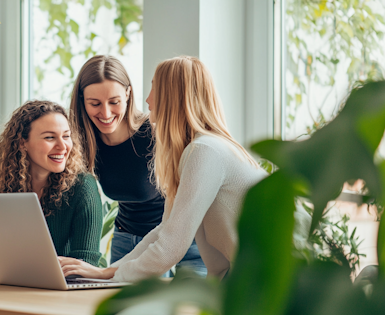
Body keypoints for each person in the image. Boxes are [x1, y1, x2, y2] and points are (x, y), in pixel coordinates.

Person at [59, 56, 267, 281]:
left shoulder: (204, 151)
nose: (147, 100)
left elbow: (170, 247)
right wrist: (106, 272)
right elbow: (165, 230)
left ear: (173, 96)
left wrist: (105, 273)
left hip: (262, 280)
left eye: (154, 88)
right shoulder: (199, 148)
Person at [0, 100, 102, 315]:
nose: (62, 146)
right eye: (50, 138)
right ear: (22, 143)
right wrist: (28, 268)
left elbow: (84, 267)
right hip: (6, 305)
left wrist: (11, 266)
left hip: (58, 312)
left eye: (66, 136)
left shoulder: (83, 189)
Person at [68, 55, 206, 276]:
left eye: (114, 102)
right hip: (126, 237)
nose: (105, 113)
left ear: (128, 94)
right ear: (82, 101)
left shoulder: (156, 133)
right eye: (95, 104)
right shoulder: (83, 141)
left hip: (180, 237)